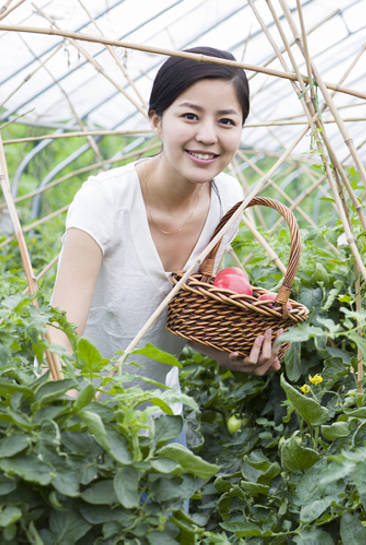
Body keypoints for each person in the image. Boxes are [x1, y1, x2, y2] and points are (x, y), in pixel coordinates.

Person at [49, 46, 280, 403]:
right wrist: (73, 414)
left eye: (226, 121)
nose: (207, 135)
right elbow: (59, 334)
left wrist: (229, 353)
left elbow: (181, 313)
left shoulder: (228, 200)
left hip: (157, 409)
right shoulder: (104, 201)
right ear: (156, 120)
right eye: (190, 116)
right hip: (78, 408)